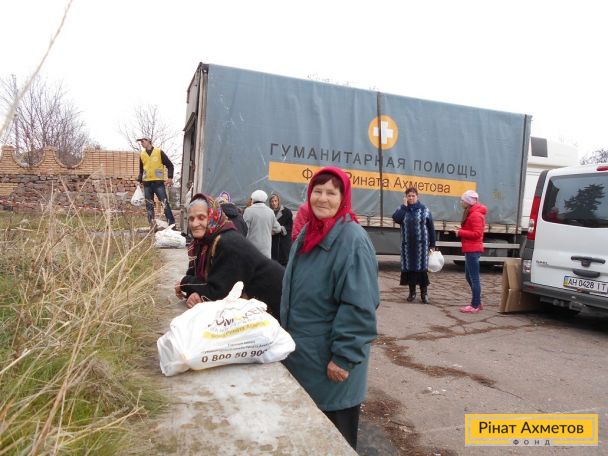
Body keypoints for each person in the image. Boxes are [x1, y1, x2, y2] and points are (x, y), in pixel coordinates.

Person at [280, 167, 379, 450]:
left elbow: (360, 307)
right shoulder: (309, 233)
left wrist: (344, 358)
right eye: (317, 191)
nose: (322, 198)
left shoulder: (352, 240)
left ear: (343, 197)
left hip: (331, 368)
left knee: (334, 444)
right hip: (305, 359)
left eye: (331, 193)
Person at [175, 194, 284, 318]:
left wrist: (185, 283)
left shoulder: (227, 242)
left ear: (213, 216)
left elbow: (219, 294)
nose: (195, 224)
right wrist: (192, 290)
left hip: (275, 301)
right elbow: (202, 279)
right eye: (191, 218)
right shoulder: (204, 242)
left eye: (201, 217)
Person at [392, 187, 436, 304]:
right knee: (410, 270)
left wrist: (432, 244)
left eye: (413, 196)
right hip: (407, 247)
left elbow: (431, 228)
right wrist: (404, 206)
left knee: (422, 270)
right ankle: (412, 293)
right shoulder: (403, 209)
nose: (411, 198)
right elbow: (396, 218)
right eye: (409, 196)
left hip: (421, 246)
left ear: (417, 196)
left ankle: (424, 294)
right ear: (406, 197)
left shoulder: (424, 210)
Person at [454, 190, 487, 313]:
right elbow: (473, 229)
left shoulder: (475, 215)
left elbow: (477, 234)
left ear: (468, 202)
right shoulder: (472, 212)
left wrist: (460, 232)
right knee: (469, 277)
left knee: (474, 278)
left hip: (473, 250)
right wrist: (462, 229)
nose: (461, 202)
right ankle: (477, 302)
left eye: (462, 200)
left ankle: (475, 305)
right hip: (470, 249)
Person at [136, 137, 176, 230]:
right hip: (147, 184)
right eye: (140, 142)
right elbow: (141, 170)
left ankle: (172, 225)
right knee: (149, 205)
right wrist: (139, 179)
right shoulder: (142, 154)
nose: (141, 143)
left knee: (164, 204)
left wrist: (170, 177)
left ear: (149, 141)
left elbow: (170, 165)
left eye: (143, 141)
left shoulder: (159, 152)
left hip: (158, 183)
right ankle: (152, 226)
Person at [243, 190, 281, 258]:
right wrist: (269, 231)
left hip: (251, 249)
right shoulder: (270, 211)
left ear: (253, 199)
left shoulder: (248, 211)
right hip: (266, 250)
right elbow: (278, 229)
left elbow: (244, 229)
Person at [269, 193, 293, 265]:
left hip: (283, 241)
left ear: (278, 201)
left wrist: (280, 229)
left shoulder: (286, 212)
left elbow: (290, 226)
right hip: (272, 241)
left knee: (284, 262)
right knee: (273, 262)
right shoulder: (268, 212)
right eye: (272, 201)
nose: (274, 203)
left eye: (275, 201)